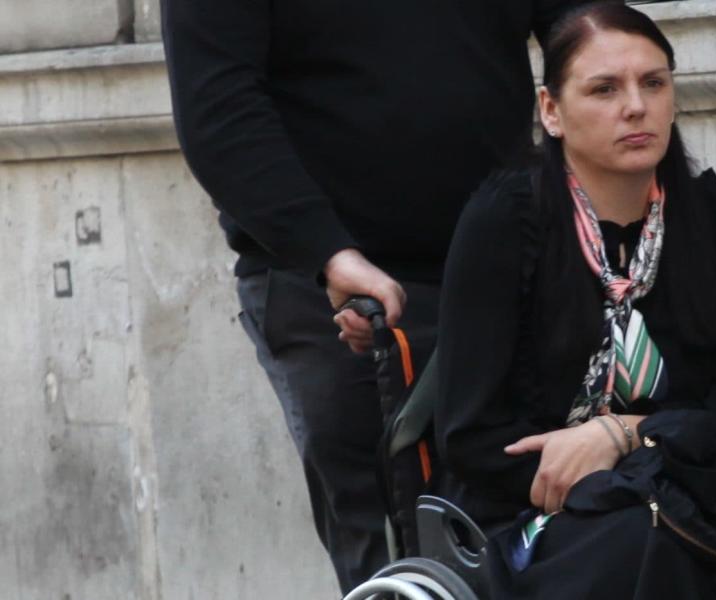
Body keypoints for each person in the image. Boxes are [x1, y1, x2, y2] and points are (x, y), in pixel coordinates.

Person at [434, 3, 716, 598]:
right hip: (534, 510)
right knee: (654, 545)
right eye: (603, 89)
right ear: (552, 111)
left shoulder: (715, 217)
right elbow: (472, 439)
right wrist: (597, 470)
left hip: (681, 484)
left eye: (653, 82)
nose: (636, 106)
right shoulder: (505, 222)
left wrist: (622, 436)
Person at [160, 0, 593, 592]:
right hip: (342, 286)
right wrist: (327, 253)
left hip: (516, 260)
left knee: (557, 530)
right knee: (399, 554)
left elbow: (589, 32)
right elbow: (217, 107)